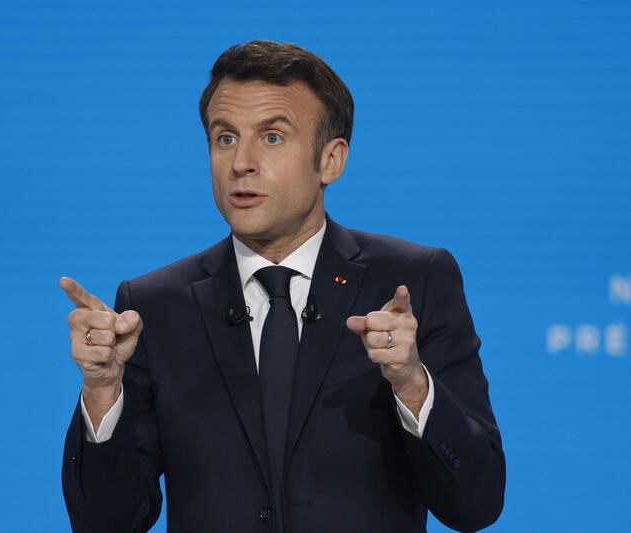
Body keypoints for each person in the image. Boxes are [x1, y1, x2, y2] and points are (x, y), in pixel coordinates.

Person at [60, 40, 505, 533]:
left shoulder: (412, 282)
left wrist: (412, 384)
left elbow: (477, 503)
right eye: (224, 138)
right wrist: (102, 392)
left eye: (272, 138)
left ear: (331, 160)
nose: (241, 163)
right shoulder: (152, 307)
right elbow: (107, 522)